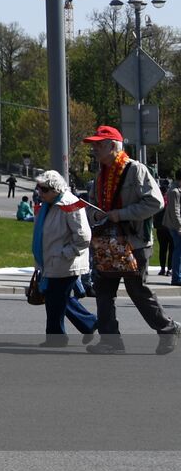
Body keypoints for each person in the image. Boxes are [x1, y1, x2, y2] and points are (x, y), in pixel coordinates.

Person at [79, 126, 179, 354]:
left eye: (98, 144)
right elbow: (93, 203)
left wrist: (120, 214)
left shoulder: (136, 170)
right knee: (103, 291)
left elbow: (155, 203)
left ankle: (167, 329)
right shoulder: (101, 174)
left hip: (135, 242)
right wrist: (95, 214)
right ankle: (110, 341)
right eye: (94, 144)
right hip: (107, 242)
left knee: (137, 290)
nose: (94, 149)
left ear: (113, 146)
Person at [31, 170, 98, 346]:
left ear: (56, 189)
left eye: (44, 189)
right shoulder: (49, 205)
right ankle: (88, 323)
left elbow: (83, 236)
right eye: (39, 188)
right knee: (58, 299)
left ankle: (57, 337)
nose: (40, 193)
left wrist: (65, 254)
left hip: (65, 263)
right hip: (51, 262)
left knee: (56, 300)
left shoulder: (71, 204)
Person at [165, 173, 181, 287]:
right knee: (178, 251)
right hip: (175, 226)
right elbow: (175, 211)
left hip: (176, 225)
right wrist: (179, 227)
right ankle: (176, 277)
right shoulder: (174, 191)